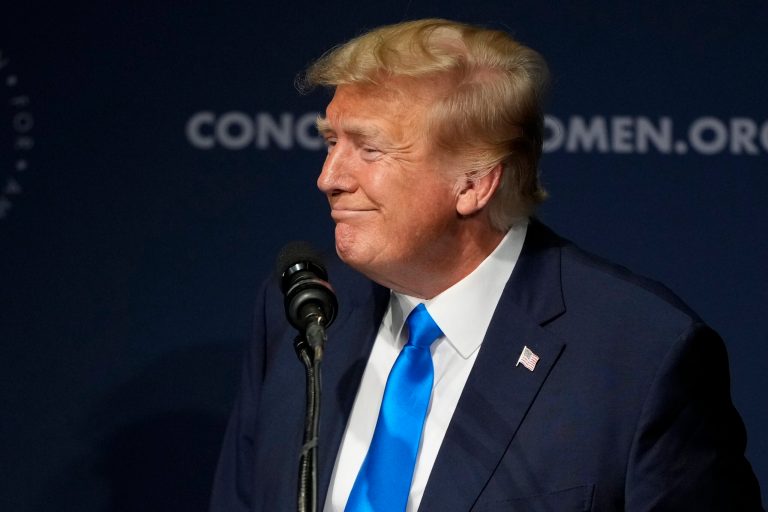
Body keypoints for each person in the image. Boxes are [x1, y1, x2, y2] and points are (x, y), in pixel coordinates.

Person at [209, 18, 764, 511]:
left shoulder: (640, 354)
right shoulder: (305, 309)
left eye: (369, 149)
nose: (329, 177)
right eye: (331, 141)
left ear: (474, 183)